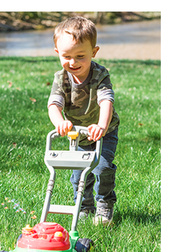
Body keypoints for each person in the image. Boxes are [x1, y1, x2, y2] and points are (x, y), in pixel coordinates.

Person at [47, 16, 120, 225]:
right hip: (78, 134)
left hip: (103, 131)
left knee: (102, 168)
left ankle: (104, 202)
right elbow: (54, 105)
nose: (73, 62)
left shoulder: (100, 75)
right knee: (78, 174)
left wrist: (102, 126)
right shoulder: (61, 78)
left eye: (80, 56)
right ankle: (84, 206)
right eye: (66, 56)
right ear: (58, 54)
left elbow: (106, 101)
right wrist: (59, 122)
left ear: (94, 52)